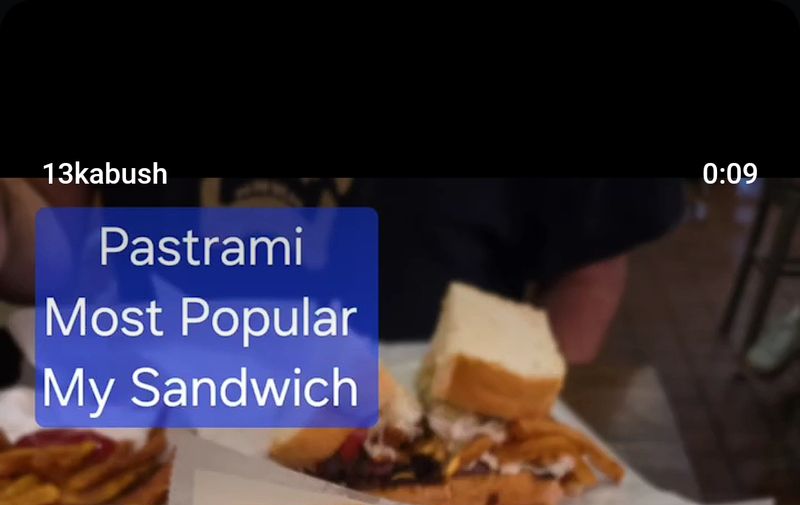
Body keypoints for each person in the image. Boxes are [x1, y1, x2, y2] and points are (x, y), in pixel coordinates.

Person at [0, 175, 685, 362]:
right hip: (155, 435)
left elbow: (589, 269)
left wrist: (513, 428)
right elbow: (65, 244)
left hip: (425, 456)